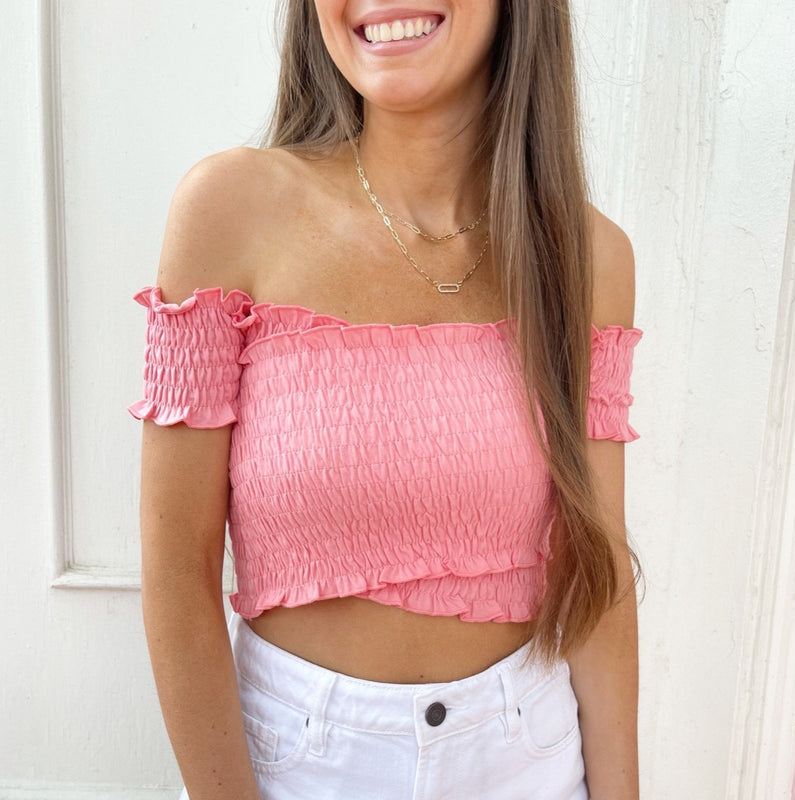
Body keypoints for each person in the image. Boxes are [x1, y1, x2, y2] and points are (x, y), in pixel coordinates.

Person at [129, 1, 642, 798]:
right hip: (299, 763)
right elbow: (175, 574)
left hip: (528, 757)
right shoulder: (229, 211)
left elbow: (595, 579)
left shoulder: (588, 256)